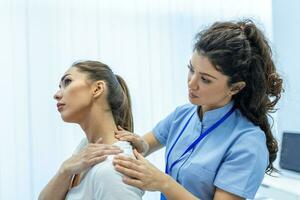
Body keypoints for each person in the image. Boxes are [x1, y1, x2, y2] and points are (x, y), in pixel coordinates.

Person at [112, 19, 283, 200]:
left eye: (205, 79)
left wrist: (163, 183)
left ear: (235, 88)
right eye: (191, 70)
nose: (191, 83)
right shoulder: (182, 115)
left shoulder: (248, 142)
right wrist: (139, 145)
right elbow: (142, 146)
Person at [39, 61, 144, 200]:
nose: (57, 95)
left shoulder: (113, 168)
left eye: (67, 82)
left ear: (97, 89)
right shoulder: (84, 149)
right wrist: (64, 171)